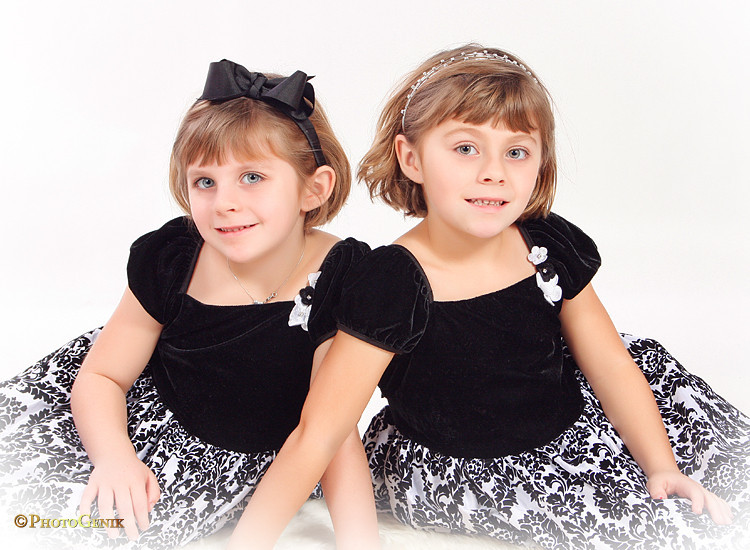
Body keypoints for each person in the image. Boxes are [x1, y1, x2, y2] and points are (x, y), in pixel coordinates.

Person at [228, 45, 750, 549]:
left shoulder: (543, 241)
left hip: (555, 411)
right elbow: (320, 433)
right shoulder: (394, 279)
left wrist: (660, 466)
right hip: (465, 461)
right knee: (666, 528)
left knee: (707, 446)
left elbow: (610, 363)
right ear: (411, 158)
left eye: (516, 152)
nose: (494, 172)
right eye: (465, 148)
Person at [0, 59, 379, 550]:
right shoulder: (175, 257)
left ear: (314, 188)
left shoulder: (343, 276)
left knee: (83, 528)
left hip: (209, 458)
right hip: (119, 415)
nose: (223, 202)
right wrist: (115, 458)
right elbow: (102, 377)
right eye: (205, 182)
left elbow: (333, 432)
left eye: (252, 177)